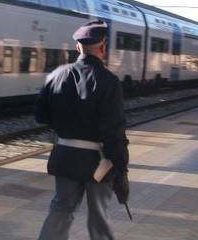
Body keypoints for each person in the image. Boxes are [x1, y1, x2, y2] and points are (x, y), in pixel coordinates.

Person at [36, 20, 129, 240]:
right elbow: (114, 132)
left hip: (66, 157)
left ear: (78, 47)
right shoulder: (109, 81)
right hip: (99, 162)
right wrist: (121, 168)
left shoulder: (57, 75)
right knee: (99, 217)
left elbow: (41, 115)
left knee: (60, 211)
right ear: (103, 47)